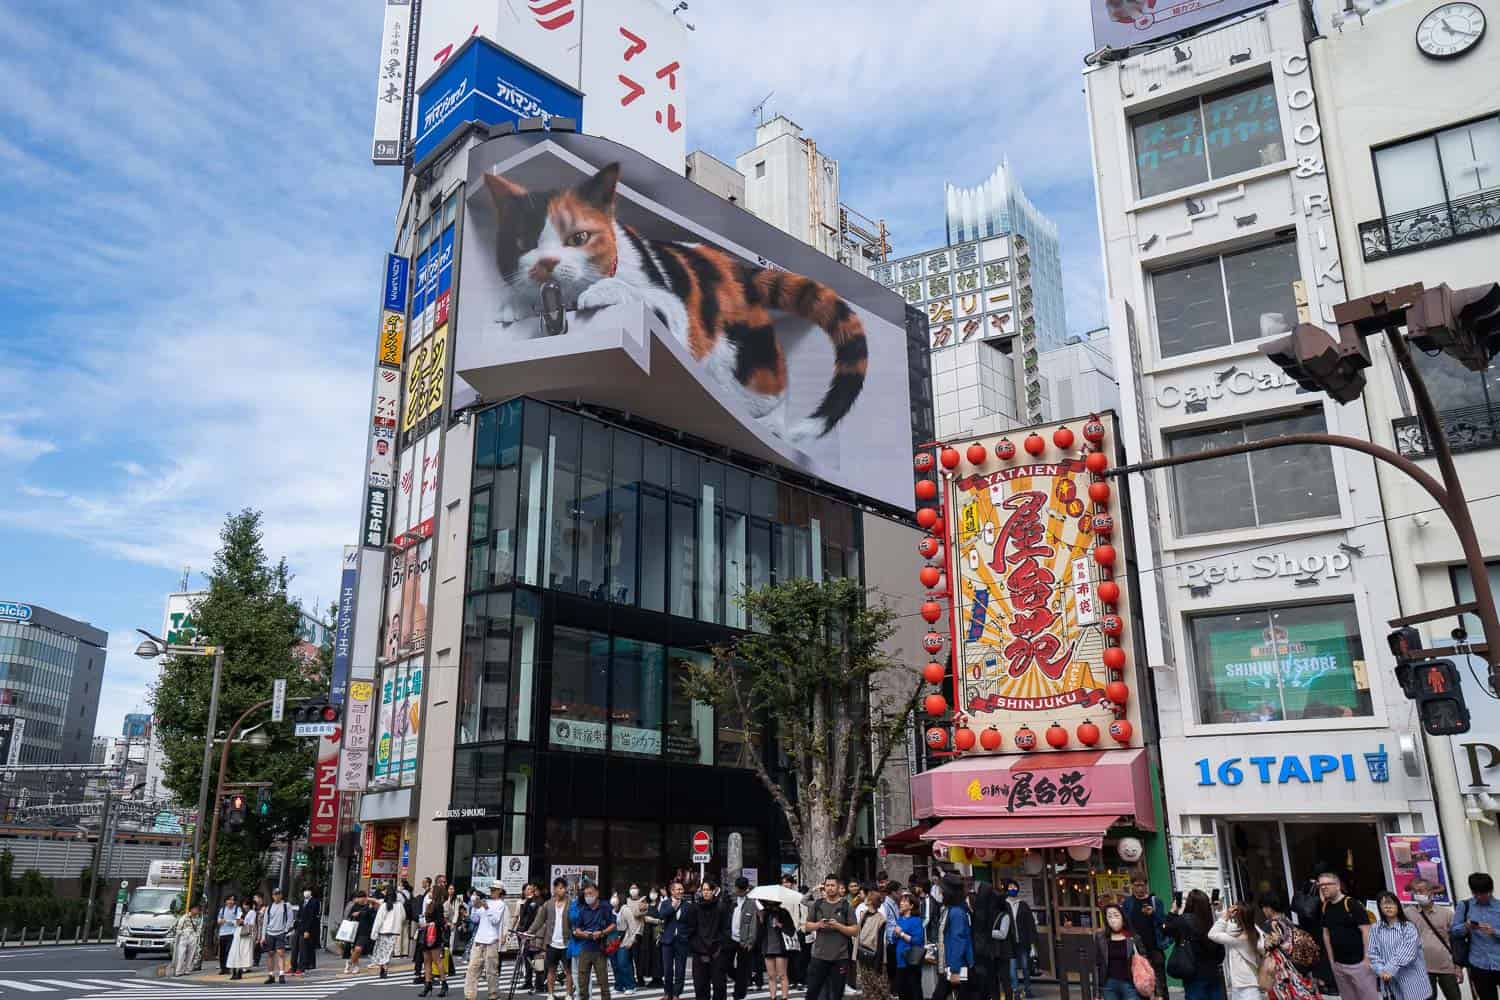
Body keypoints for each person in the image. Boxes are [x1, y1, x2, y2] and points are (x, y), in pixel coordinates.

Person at [1317, 871, 1378, 1000]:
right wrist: (1332, 960)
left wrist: (1367, 959)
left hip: (1359, 964)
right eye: (1320, 885)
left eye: (1327, 884)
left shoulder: (1351, 904)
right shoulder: (1325, 907)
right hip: (1339, 965)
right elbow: (1326, 934)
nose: (1323, 887)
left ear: (1338, 886)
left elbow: (1367, 931)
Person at [1253, 891, 1320, 1000]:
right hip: (1298, 968)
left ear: (1269, 907)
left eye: (1264, 907)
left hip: (1283, 972)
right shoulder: (1288, 921)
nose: (1264, 911)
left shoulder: (1270, 925)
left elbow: (1264, 948)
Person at [1405, 878, 1463, 1000]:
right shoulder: (1408, 913)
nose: (1418, 894)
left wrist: (1458, 967)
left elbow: (1456, 941)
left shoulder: (1446, 914)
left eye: (1421, 891)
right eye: (1415, 892)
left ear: (1431, 892)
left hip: (1446, 966)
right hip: (1422, 968)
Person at [1164, 889, 1225, 1000]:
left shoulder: (1184, 920)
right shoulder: (1211, 921)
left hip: (1194, 975)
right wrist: (1219, 911)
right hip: (1214, 973)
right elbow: (1220, 951)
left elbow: (1166, 929)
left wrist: (1173, 911)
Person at [1449, 872, 1500, 1000]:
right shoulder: (1464, 906)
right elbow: (1454, 932)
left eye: (1484, 893)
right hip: (1478, 963)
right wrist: (1466, 926)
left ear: (1491, 890)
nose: (1480, 897)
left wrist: (1495, 932)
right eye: (1476, 894)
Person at [1369, 891, 1427, 1000]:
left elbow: (1407, 952)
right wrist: (1380, 970)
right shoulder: (1375, 928)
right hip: (1389, 984)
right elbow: (1373, 953)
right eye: (1384, 904)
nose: (1388, 907)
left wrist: (1389, 970)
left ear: (1398, 906)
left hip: (1411, 982)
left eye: (1391, 903)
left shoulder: (1408, 927)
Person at [529, 878, 576, 1000]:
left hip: (567, 943)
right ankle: (550, 994)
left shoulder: (572, 903)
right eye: (559, 887)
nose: (561, 890)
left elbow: (576, 921)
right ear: (554, 889)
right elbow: (539, 921)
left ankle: (569, 994)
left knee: (568, 971)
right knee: (551, 970)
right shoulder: (548, 904)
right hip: (551, 943)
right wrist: (529, 932)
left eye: (563, 888)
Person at [1121, 879, 1167, 1000]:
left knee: (1160, 986)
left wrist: (1153, 913)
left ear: (1146, 885)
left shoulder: (1156, 902)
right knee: (1140, 984)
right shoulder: (1128, 903)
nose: (1140, 888)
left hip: (1155, 949)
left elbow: (1164, 923)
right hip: (1137, 951)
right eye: (1137, 885)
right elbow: (1125, 925)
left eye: (1142, 885)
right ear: (1132, 886)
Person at [1093, 904, 1147, 1000]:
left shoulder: (1133, 937)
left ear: (1123, 917)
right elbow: (1097, 965)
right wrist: (1097, 993)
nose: (1113, 919)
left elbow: (1145, 963)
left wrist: (1154, 990)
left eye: (1116, 915)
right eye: (1109, 916)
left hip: (1130, 984)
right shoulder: (1101, 937)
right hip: (1109, 985)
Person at [466, 884, 510, 1000]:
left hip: (491, 940)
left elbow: (495, 921)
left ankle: (493, 995)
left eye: (494, 890)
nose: (492, 891)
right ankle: (470, 995)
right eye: (491, 889)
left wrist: (486, 908)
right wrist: (475, 907)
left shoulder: (501, 904)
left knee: (491, 971)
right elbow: (475, 919)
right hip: (479, 939)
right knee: (472, 968)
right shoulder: (486, 901)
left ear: (500, 891)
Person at [687, 880, 729, 1000]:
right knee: (700, 985)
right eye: (703, 890)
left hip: (717, 952)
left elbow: (725, 930)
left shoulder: (721, 907)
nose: (705, 892)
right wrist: (699, 949)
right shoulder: (694, 908)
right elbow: (691, 930)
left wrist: (719, 948)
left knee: (719, 985)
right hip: (699, 952)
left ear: (713, 891)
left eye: (708, 890)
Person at [1208, 904, 1260, 1000]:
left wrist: (1226, 916)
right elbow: (1228, 927)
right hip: (1245, 984)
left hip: (1246, 987)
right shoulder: (1254, 931)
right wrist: (1221, 911)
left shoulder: (1240, 939)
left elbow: (1212, 934)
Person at [932, 877, 973, 1000]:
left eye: (942, 890)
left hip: (955, 966)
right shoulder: (950, 910)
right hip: (949, 965)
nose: (940, 893)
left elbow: (958, 940)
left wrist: (955, 970)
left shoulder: (956, 912)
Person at [574, 881, 616, 1000]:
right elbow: (577, 929)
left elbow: (613, 924)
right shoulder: (583, 909)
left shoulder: (605, 906)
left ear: (597, 893)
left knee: (603, 983)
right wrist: (582, 933)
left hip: (600, 950)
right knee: (582, 983)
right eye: (586, 894)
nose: (588, 896)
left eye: (590, 893)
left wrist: (602, 933)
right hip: (585, 948)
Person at [857, 883, 892, 1000]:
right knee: (866, 986)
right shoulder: (864, 915)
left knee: (879, 986)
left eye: (868, 897)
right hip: (863, 954)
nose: (865, 899)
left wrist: (878, 962)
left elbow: (880, 942)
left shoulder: (880, 919)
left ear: (871, 901)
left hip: (875, 956)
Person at [1001, 882, 1036, 1000]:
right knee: (1012, 968)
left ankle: (1028, 989)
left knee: (1026, 966)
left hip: (1023, 941)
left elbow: (1030, 924)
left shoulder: (1023, 905)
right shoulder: (1004, 905)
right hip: (1009, 942)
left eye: (1014, 887)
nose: (1012, 889)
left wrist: (1032, 943)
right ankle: (1015, 990)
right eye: (1010, 887)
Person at [728, 877, 761, 1000]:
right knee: (725, 964)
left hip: (744, 940)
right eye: (738, 889)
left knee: (743, 967)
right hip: (730, 938)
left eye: (743, 890)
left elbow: (753, 923)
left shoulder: (751, 902)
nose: (740, 891)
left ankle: (739, 994)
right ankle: (741, 979)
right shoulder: (730, 900)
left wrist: (750, 941)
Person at [659, 880, 691, 1000]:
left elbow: (691, 923)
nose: (680, 891)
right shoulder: (665, 903)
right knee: (667, 969)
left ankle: (677, 994)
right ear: (672, 891)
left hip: (682, 941)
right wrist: (673, 907)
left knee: (680, 969)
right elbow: (661, 915)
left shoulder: (687, 905)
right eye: (678, 889)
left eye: (682, 889)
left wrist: (686, 935)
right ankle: (667, 993)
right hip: (667, 941)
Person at [891, 894, 926, 1000]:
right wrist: (895, 934)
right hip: (900, 961)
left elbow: (918, 940)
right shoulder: (900, 919)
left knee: (914, 992)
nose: (901, 903)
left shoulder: (916, 920)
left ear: (911, 906)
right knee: (902, 992)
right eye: (901, 901)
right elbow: (894, 940)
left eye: (905, 901)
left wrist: (901, 934)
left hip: (911, 961)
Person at [762, 899, 798, 1000]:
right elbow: (760, 931)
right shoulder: (764, 913)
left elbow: (791, 930)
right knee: (771, 976)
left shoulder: (783, 912)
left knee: (782, 974)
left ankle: (784, 997)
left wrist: (780, 925)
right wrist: (760, 919)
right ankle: (772, 997)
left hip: (781, 948)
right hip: (768, 947)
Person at [259, 887, 294, 984]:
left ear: (281, 895)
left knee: (280, 953)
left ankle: (281, 975)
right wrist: (263, 937)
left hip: (280, 933)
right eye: (275, 894)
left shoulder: (286, 906)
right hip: (270, 933)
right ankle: (271, 975)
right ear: (272, 896)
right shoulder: (269, 907)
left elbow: (290, 919)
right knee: (270, 954)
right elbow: (265, 923)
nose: (277, 896)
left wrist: (285, 930)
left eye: (278, 894)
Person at [374, 887, 408, 980]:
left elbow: (378, 920)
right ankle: (385, 967)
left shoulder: (384, 906)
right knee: (389, 951)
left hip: (383, 931)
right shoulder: (400, 905)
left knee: (382, 950)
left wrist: (374, 932)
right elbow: (403, 917)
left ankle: (382, 966)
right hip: (394, 931)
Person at [422, 893, 451, 997]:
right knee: (426, 960)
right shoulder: (429, 903)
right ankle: (428, 983)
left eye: (432, 891)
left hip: (434, 934)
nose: (429, 893)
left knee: (437, 960)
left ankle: (444, 983)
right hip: (426, 933)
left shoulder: (438, 905)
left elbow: (440, 921)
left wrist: (430, 924)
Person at [519, 883, 545, 993]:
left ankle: (537, 983)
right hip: (531, 932)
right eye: (530, 889)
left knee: (536, 958)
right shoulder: (532, 901)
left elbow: (531, 918)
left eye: (533, 889)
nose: (531, 892)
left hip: (535, 933)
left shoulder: (538, 902)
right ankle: (531, 982)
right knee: (529, 957)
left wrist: (525, 930)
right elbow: (525, 915)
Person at [612, 888, 639, 994]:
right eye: (613, 896)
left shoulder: (625, 909)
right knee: (615, 964)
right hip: (614, 940)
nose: (613, 899)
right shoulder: (612, 910)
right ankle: (619, 985)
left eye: (615, 896)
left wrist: (631, 941)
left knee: (623, 963)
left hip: (624, 940)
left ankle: (630, 986)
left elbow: (633, 926)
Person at [228, 897, 258, 980]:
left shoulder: (252, 912)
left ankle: (239, 972)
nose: (246, 906)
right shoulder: (239, 912)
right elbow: (236, 922)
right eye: (244, 904)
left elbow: (251, 923)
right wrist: (238, 922)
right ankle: (233, 972)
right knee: (234, 952)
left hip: (246, 934)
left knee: (242, 953)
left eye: (247, 904)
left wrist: (243, 921)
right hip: (237, 933)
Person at [171, 902, 203, 977]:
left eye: (197, 909)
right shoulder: (184, 917)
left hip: (193, 937)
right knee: (181, 954)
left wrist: (196, 936)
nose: (196, 911)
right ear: (191, 909)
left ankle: (187, 970)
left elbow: (199, 929)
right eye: (194, 909)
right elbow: (178, 928)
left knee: (191, 954)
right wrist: (183, 933)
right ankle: (178, 971)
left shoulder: (198, 919)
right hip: (184, 937)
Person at [294, 888, 320, 976]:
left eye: (308, 890)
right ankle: (295, 966)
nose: (306, 892)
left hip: (309, 928)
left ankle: (303, 966)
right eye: (304, 890)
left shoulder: (315, 902)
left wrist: (307, 930)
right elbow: (299, 914)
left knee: (306, 947)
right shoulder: (302, 902)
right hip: (300, 927)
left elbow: (311, 917)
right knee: (297, 947)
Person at [216, 894, 240, 975]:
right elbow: (218, 920)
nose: (231, 901)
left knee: (229, 951)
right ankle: (223, 968)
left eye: (233, 900)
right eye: (229, 899)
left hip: (233, 933)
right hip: (222, 933)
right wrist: (220, 921)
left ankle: (229, 967)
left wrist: (228, 921)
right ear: (226, 901)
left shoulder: (237, 909)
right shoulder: (222, 909)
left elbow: (238, 921)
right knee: (222, 952)